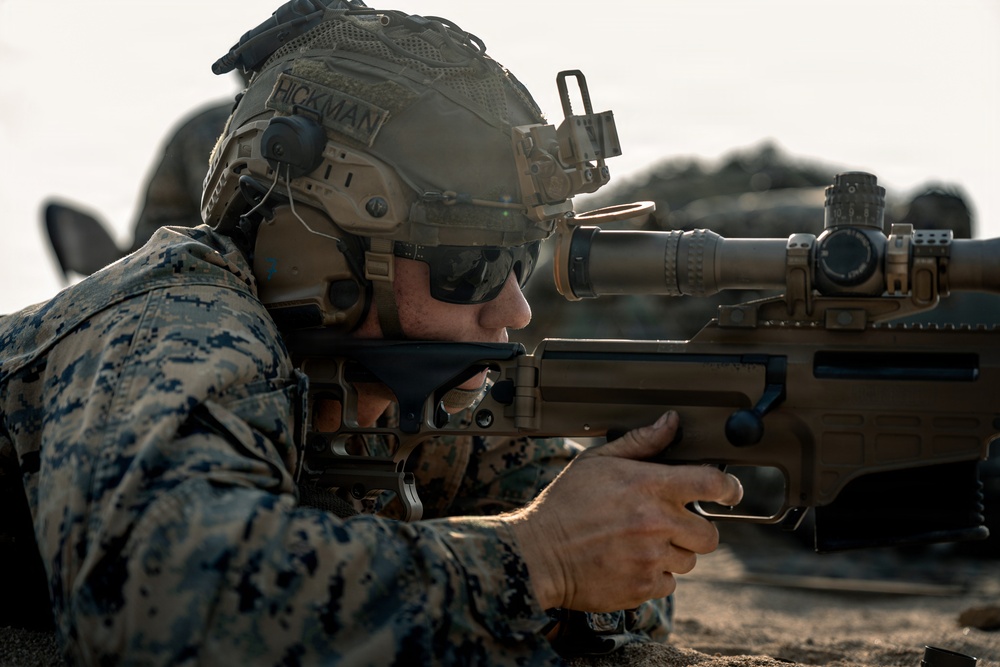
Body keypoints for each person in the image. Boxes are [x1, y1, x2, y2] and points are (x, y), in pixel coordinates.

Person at [0, 3, 742, 664]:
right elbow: (165, 614)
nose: (516, 309)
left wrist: (597, 550)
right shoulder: (176, 322)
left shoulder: (401, 381)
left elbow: (614, 561)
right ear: (319, 252)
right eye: (473, 263)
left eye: (521, 257)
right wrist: (535, 560)